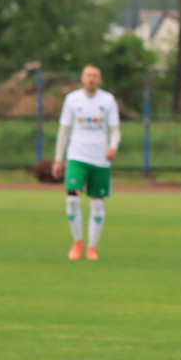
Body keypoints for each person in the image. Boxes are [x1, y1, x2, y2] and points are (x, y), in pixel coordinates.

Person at [51, 64, 121, 261]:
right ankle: (77, 242)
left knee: (97, 204)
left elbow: (115, 129)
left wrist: (113, 146)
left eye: (95, 76)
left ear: (100, 79)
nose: (91, 79)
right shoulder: (72, 100)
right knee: (72, 199)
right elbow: (64, 130)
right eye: (88, 75)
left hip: (100, 160)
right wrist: (58, 159)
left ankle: (92, 247)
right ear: (82, 78)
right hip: (77, 157)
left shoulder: (107, 100)